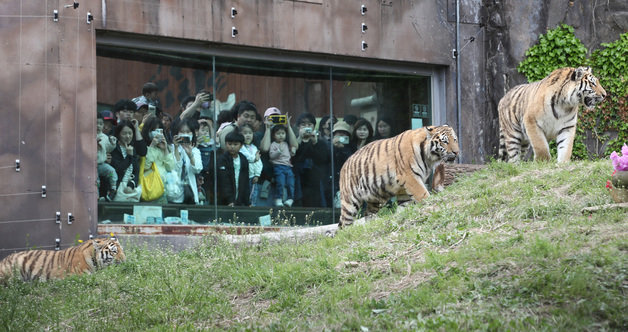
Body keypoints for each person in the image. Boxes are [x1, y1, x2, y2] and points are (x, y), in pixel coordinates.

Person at [292, 112, 330, 207]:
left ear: (314, 127)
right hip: (298, 182)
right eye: (303, 125)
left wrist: (315, 143)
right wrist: (300, 139)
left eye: (309, 125)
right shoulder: (294, 142)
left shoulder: (320, 143)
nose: (306, 127)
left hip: (315, 183)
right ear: (298, 127)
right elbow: (294, 159)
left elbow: (323, 160)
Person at [204, 131, 250, 206]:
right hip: (224, 201)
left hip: (239, 198)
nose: (232, 147)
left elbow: (246, 181)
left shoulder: (243, 159)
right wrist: (230, 200)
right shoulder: (222, 159)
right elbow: (224, 182)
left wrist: (248, 202)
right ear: (226, 144)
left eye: (235, 144)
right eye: (230, 144)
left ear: (241, 145)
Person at [109, 120, 148, 199]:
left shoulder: (132, 149)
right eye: (124, 133)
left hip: (130, 188)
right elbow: (118, 169)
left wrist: (131, 185)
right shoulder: (113, 148)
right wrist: (129, 156)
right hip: (117, 188)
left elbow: (136, 171)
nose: (128, 136)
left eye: (130, 133)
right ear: (118, 134)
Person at [142, 116, 175, 203]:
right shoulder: (144, 147)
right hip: (150, 188)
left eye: (159, 130)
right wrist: (152, 146)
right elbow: (145, 166)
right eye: (154, 130)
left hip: (163, 189)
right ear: (148, 131)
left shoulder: (165, 146)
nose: (157, 133)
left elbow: (170, 167)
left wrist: (165, 149)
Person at [170, 117, 203, 204]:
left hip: (190, 193)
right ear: (177, 134)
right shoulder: (172, 148)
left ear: (193, 134)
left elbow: (197, 169)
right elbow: (174, 167)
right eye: (182, 132)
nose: (185, 134)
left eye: (188, 132)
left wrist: (190, 154)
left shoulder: (195, 151)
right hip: (174, 193)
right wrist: (176, 148)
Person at [330, 121, 356, 208]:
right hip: (332, 182)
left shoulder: (352, 147)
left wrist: (343, 150)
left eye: (344, 134)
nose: (341, 136)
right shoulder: (328, 145)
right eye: (338, 134)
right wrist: (333, 147)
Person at [269, 124, 296, 207]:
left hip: (288, 166)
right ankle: (279, 198)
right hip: (279, 166)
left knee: (290, 183)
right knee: (280, 183)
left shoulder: (286, 144)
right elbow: (271, 156)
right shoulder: (273, 144)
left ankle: (290, 198)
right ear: (274, 135)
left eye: (283, 133)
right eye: (278, 134)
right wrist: (279, 151)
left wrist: (292, 152)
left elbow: (289, 155)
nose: (281, 135)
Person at [239, 124, 263, 206]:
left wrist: (257, 175)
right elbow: (247, 157)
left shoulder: (254, 147)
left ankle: (253, 206)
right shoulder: (241, 147)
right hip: (244, 175)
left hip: (253, 176)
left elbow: (259, 162)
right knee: (244, 192)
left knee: (253, 192)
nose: (248, 135)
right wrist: (254, 158)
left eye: (250, 133)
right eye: (245, 133)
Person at [96, 111, 118, 201]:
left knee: (112, 171)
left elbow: (109, 148)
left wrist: (112, 143)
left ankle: (113, 190)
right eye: (96, 123)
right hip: (90, 166)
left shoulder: (105, 137)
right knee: (95, 181)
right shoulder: (87, 136)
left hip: (101, 164)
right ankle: (96, 197)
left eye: (100, 124)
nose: (98, 126)